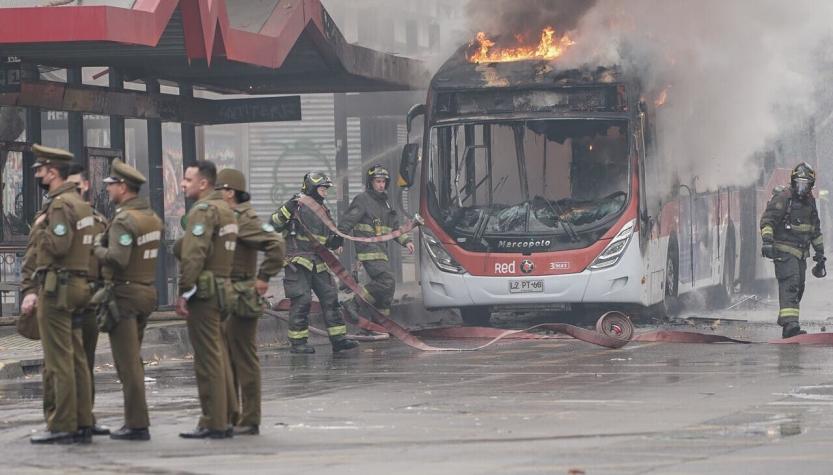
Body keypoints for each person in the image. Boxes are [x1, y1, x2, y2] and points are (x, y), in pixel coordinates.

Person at [24, 145, 95, 444]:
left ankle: (63, 424)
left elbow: (58, 246)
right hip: (78, 286)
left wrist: (39, 229)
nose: (38, 174)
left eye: (40, 170)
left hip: (59, 289)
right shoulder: (81, 205)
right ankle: (81, 421)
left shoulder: (59, 206)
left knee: (59, 360)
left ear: (53, 172)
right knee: (77, 357)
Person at [92, 159, 163, 441]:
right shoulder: (152, 218)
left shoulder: (124, 220)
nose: (108, 190)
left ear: (123, 187)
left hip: (124, 295)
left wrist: (96, 246)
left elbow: (118, 258)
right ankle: (137, 420)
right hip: (146, 291)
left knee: (127, 363)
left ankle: (136, 424)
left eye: (111, 185)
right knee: (135, 359)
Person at [216, 168, 285, 436]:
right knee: (228, 359)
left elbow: (276, 244)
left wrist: (263, 277)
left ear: (230, 192)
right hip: (226, 294)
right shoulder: (228, 217)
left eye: (220, 189)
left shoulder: (245, 219)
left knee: (244, 358)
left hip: (242, 293)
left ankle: (250, 417)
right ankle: (232, 415)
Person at [175, 160, 238, 439]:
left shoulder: (203, 211)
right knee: (220, 356)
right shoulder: (226, 209)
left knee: (208, 359)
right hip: (223, 287)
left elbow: (193, 255)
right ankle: (225, 415)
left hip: (204, 291)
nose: (182, 184)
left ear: (203, 183)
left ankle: (214, 421)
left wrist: (184, 291)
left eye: (187, 180)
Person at [270, 172, 358, 354]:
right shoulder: (297, 204)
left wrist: (336, 241)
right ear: (311, 187)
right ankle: (298, 343)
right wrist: (288, 206)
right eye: (322, 188)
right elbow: (273, 223)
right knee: (302, 300)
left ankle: (339, 339)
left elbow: (328, 235)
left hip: (318, 261)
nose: (325, 192)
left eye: (326, 189)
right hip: (298, 261)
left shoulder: (323, 210)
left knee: (331, 299)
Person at [66, 163, 110, 438]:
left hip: (91, 298)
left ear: (86, 187)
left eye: (76, 185)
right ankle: (63, 419)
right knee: (63, 363)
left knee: (87, 361)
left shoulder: (99, 221)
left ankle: (86, 417)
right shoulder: (54, 218)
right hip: (64, 298)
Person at [339, 164, 414, 323]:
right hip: (368, 250)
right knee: (386, 281)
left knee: (387, 289)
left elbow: (394, 229)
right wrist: (338, 239)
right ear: (370, 182)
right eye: (377, 181)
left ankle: (380, 322)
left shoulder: (386, 204)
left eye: (383, 182)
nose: (381, 185)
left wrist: (406, 241)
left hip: (381, 251)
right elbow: (347, 221)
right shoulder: (362, 199)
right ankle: (352, 303)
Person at [761, 162, 826, 338]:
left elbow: (815, 230)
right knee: (791, 284)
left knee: (799, 287)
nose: (802, 188)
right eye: (799, 183)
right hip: (783, 252)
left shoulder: (810, 202)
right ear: (793, 182)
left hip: (800, 254)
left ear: (811, 185)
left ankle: (788, 321)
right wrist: (767, 240)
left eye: (806, 184)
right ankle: (790, 326)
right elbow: (767, 220)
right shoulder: (783, 198)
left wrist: (820, 255)